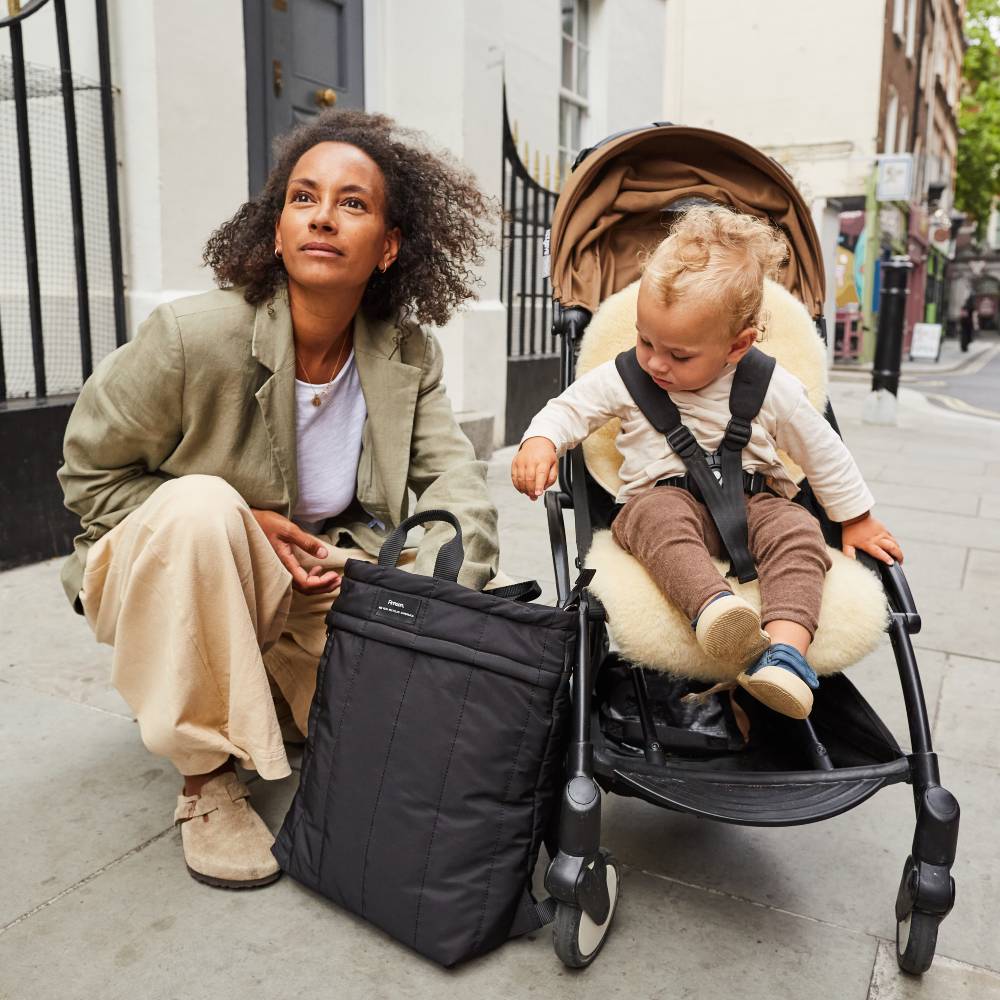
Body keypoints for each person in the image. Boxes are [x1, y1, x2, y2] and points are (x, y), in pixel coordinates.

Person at [58, 110, 500, 889]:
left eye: (353, 203)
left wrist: (445, 603)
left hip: (309, 584)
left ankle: (257, 682)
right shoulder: (191, 337)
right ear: (277, 228)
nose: (324, 216)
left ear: (390, 245)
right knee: (203, 509)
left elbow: (454, 479)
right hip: (168, 563)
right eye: (304, 197)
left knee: (430, 748)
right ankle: (205, 776)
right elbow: (90, 480)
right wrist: (243, 517)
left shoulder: (405, 350)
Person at [512, 205, 902, 720]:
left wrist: (856, 516)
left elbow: (821, 448)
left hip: (754, 499)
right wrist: (541, 440)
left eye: (678, 354)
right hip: (661, 498)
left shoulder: (770, 385)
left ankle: (786, 656)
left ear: (737, 346)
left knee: (800, 532)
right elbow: (570, 409)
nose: (655, 361)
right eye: (645, 340)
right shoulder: (626, 376)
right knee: (657, 520)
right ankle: (715, 609)